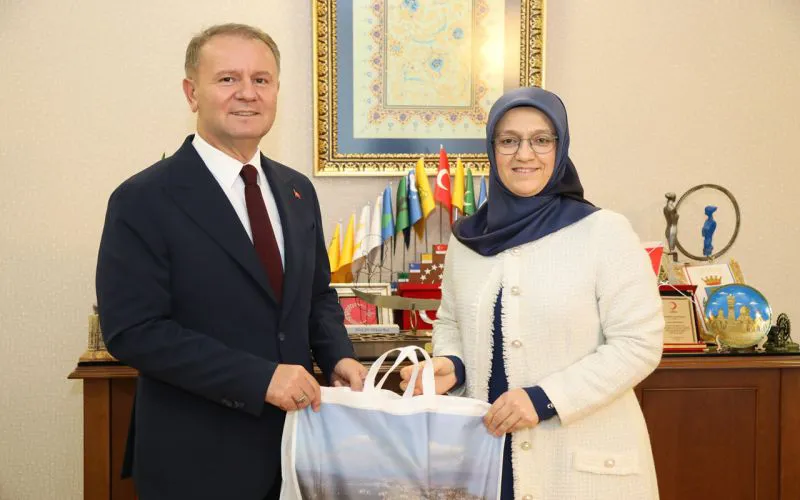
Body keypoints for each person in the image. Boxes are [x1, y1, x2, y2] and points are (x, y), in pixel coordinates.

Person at [96, 23, 365, 500]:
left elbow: (316, 295)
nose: (247, 93)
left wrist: (337, 355)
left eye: (261, 80)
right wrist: (260, 379)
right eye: (227, 79)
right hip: (194, 461)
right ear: (191, 93)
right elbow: (133, 330)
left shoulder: (297, 191)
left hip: (295, 453)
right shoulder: (143, 198)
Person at [400, 87, 664, 499]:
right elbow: (451, 321)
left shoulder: (604, 232)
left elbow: (638, 344)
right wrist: (454, 364)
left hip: (580, 463)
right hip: (489, 457)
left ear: (560, 147)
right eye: (509, 141)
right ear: (492, 150)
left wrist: (545, 399)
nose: (524, 154)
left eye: (541, 140)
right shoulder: (467, 240)